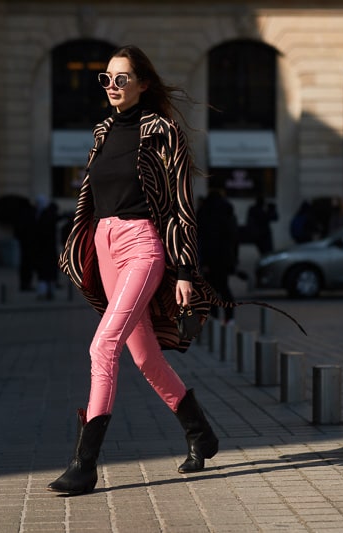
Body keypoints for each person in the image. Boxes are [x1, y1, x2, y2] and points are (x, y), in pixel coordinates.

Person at [49, 45, 223, 495]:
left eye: (121, 79)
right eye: (105, 79)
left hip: (143, 244)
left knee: (103, 345)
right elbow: (92, 197)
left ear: (143, 84)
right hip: (105, 245)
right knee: (144, 357)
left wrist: (185, 269)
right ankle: (201, 433)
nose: (112, 86)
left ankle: (84, 465)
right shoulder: (103, 130)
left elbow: (183, 202)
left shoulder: (162, 130)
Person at [197, 188, 239, 325]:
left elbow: (201, 239)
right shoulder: (228, 213)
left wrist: (203, 261)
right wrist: (233, 259)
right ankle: (229, 317)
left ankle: (214, 318)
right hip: (225, 258)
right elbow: (234, 238)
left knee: (211, 289)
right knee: (224, 287)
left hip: (210, 258)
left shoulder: (204, 213)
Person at [33, 195, 59, 301]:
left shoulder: (42, 216)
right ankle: (49, 291)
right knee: (49, 271)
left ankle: (44, 292)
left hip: (44, 249)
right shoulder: (47, 215)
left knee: (44, 272)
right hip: (49, 248)